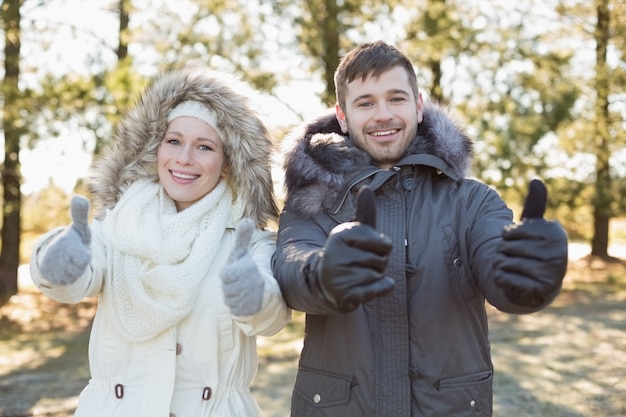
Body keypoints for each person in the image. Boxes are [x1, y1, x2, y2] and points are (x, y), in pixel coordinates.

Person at [271, 40, 568, 417]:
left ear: (418, 106)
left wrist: (531, 274)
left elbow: (501, 270)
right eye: (365, 103)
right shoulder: (311, 203)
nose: (383, 115)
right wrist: (327, 271)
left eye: (396, 98)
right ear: (342, 116)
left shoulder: (473, 201)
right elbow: (291, 267)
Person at [29, 67, 291, 417]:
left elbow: (270, 317)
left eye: (204, 146)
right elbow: (79, 276)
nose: (184, 158)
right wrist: (57, 261)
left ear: (227, 164)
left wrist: (254, 296)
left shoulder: (249, 243)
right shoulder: (118, 224)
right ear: (155, 148)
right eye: (174, 141)